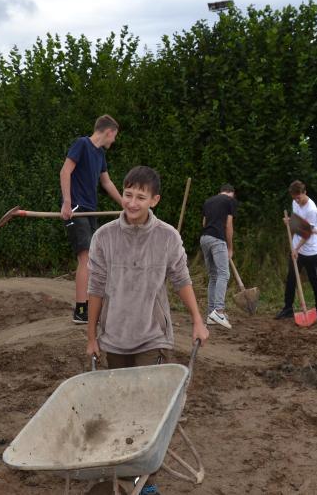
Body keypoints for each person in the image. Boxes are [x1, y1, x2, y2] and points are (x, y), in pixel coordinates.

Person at [86, 166, 210, 495]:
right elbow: (95, 288)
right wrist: (91, 336)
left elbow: (181, 279)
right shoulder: (104, 237)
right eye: (128, 194)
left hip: (152, 337)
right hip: (114, 337)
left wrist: (198, 320)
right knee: (120, 410)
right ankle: (124, 472)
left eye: (141, 197)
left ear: (154, 200)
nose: (132, 202)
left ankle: (147, 482)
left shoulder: (167, 237)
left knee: (149, 413)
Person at [59, 115, 123, 324]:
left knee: (94, 258)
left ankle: (91, 306)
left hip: (90, 210)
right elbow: (65, 171)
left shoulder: (100, 154)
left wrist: (125, 204)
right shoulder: (82, 144)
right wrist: (67, 202)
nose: (114, 140)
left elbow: (107, 182)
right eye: (114, 136)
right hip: (76, 209)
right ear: (109, 131)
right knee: (85, 257)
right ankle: (80, 310)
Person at [276, 181, 317, 320]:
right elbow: (297, 223)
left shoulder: (311, 210)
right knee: (291, 278)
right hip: (296, 248)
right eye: (294, 198)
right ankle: (288, 308)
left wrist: (297, 248)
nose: (297, 201)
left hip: (310, 251)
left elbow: (307, 233)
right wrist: (289, 222)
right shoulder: (295, 203)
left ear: (305, 192)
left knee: (314, 279)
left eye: (298, 197)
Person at [200, 184, 237, 329]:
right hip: (217, 239)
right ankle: (219, 311)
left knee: (213, 276)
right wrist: (230, 247)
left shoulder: (208, 201)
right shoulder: (230, 201)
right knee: (224, 274)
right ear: (231, 193)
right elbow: (228, 225)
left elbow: (204, 223)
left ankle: (211, 314)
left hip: (204, 238)